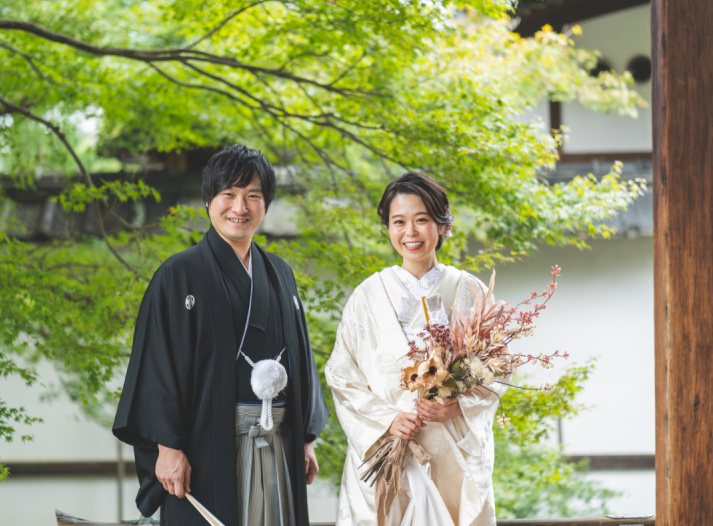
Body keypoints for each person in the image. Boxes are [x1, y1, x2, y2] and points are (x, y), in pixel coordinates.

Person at [113, 144, 329, 526]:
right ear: (209, 200)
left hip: (277, 442)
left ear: (266, 204)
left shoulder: (280, 273)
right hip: (206, 444)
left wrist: (306, 437)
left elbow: (300, 357)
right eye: (228, 194)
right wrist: (168, 446)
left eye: (253, 196)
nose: (239, 207)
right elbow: (158, 365)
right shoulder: (178, 274)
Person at [325, 172, 506, 526]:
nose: (410, 232)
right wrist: (388, 420)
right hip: (390, 448)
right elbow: (342, 375)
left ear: (442, 225)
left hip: (453, 453)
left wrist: (460, 405)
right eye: (399, 222)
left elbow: (499, 369)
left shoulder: (470, 290)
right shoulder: (367, 296)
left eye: (422, 220)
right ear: (388, 228)